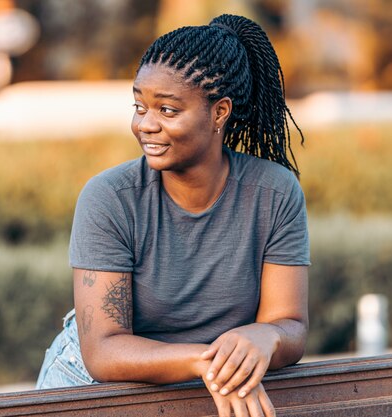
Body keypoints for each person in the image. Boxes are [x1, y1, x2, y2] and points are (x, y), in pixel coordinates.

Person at [36, 13, 310, 417]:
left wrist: (265, 337)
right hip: (91, 385)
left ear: (219, 113)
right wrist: (209, 361)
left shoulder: (274, 193)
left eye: (167, 110)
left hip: (209, 382)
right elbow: (104, 349)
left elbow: (290, 324)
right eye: (139, 106)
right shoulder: (110, 198)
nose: (145, 125)